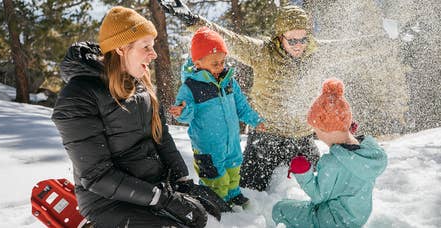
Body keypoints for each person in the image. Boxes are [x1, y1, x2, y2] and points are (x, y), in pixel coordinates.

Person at [51, 6, 208, 228]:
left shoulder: (140, 85)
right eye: (146, 47)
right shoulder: (78, 97)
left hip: (152, 188)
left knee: (200, 220)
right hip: (109, 203)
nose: (154, 54)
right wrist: (162, 198)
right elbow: (96, 176)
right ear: (122, 48)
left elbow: (161, 137)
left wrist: (182, 183)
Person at [158, 0, 321, 191]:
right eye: (292, 40)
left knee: (320, 184)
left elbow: (355, 47)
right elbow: (229, 39)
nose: (298, 45)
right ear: (279, 37)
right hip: (266, 135)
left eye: (303, 39)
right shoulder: (262, 52)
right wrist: (192, 20)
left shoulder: (317, 53)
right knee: (250, 190)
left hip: (302, 137)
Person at [169, 26, 265, 209]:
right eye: (215, 64)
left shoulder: (228, 81)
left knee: (233, 168)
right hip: (208, 145)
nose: (220, 67)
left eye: (222, 61)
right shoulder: (191, 87)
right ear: (197, 63)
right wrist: (183, 111)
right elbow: (186, 114)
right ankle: (215, 202)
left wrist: (255, 120)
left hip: (231, 142)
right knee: (215, 177)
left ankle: (233, 193)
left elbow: (241, 105)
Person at [272, 78, 387, 227]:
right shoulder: (371, 152)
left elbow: (318, 195)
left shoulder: (333, 163)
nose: (316, 135)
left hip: (330, 221)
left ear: (327, 131)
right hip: (356, 218)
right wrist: (347, 133)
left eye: (317, 131)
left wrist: (303, 173)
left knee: (280, 209)